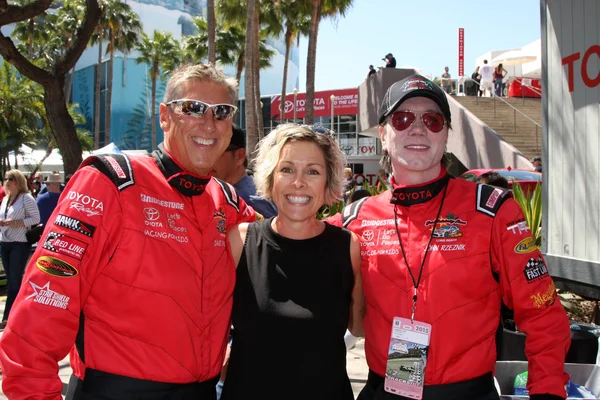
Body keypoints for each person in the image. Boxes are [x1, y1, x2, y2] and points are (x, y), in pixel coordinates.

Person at [0, 63, 257, 399]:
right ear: (165, 116)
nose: (208, 123)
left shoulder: (227, 201)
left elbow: (279, 260)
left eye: (222, 112)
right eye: (193, 108)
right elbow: (42, 305)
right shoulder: (109, 180)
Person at [329, 74, 571, 400]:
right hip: (383, 391)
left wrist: (547, 393)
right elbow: (281, 244)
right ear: (383, 135)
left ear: (446, 135)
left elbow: (544, 316)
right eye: (402, 119)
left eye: (432, 120)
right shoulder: (353, 220)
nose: (417, 128)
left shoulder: (495, 211)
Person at [221, 124, 364, 400]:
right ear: (270, 178)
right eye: (287, 169)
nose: (298, 182)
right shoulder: (239, 241)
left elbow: (359, 325)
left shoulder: (348, 247)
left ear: (328, 183)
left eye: (312, 171)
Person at [0, 169, 40, 329]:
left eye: (11, 178)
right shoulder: (5, 199)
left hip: (20, 242)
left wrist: (15, 223)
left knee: (14, 281)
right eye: (6, 178)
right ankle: (21, 312)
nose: (8, 181)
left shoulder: (26, 198)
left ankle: (8, 316)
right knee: (11, 280)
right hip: (5, 242)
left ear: (18, 180)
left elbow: (36, 218)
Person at [212, 124, 277, 218]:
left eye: (217, 151)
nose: (207, 159)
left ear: (240, 156)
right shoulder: (245, 192)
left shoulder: (249, 203)